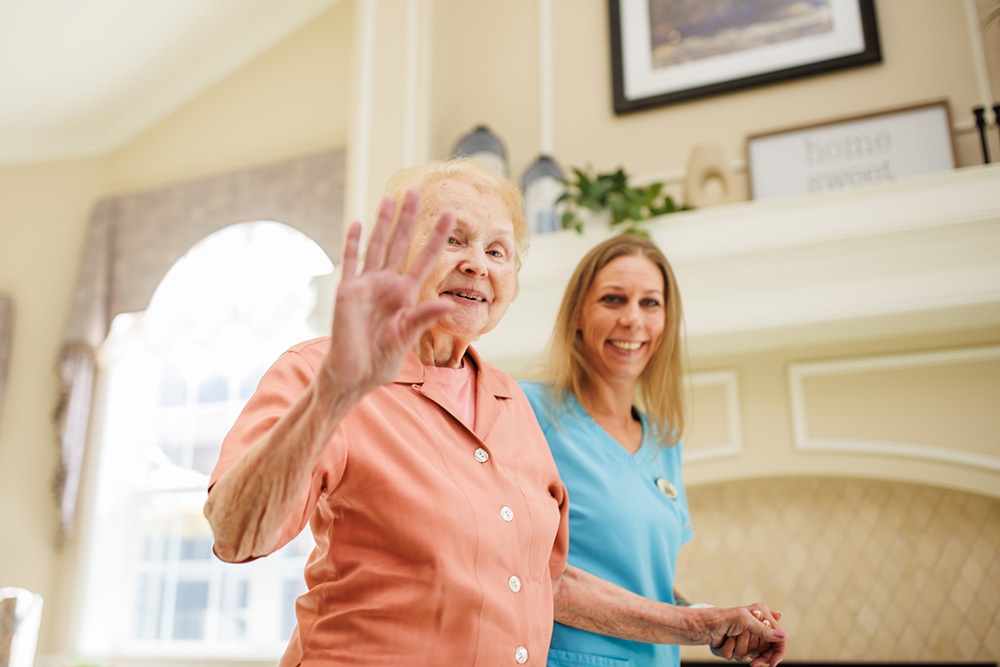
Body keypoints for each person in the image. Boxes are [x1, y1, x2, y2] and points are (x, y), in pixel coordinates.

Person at [204, 158, 788, 666]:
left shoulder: (511, 405)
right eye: (452, 241)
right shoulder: (319, 370)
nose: (478, 265)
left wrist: (699, 624)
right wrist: (332, 394)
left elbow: (544, 580)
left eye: (497, 251)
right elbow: (235, 535)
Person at [521, 233, 787, 667]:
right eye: (612, 299)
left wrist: (715, 619)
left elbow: (650, 584)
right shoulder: (525, 411)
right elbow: (528, 574)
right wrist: (698, 626)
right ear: (577, 316)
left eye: (650, 303)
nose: (632, 319)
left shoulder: (664, 442)